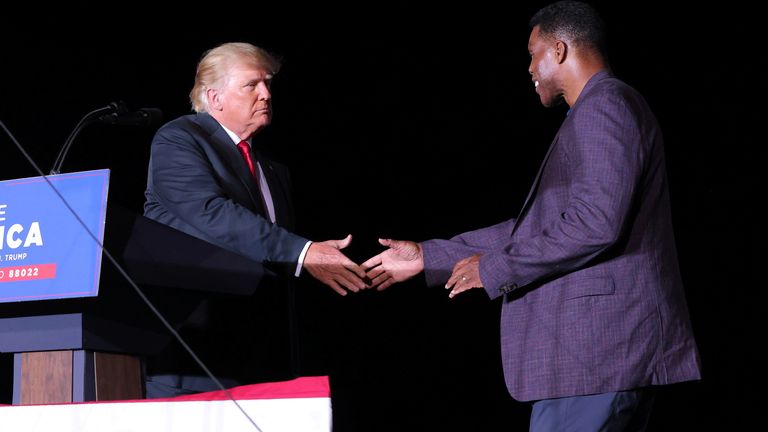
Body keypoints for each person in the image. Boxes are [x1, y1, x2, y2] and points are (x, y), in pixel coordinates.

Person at [362, 1, 701, 430]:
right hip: (597, 363)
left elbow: (595, 223)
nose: (529, 68)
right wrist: (428, 256)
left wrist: (496, 267)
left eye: (532, 53)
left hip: (597, 358)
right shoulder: (599, 110)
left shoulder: (604, 107)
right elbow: (538, 228)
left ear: (558, 50)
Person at [143, 42, 368, 397]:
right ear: (215, 97)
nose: (265, 94)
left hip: (265, 358)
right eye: (251, 85)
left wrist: (310, 259)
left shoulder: (273, 168)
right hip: (197, 357)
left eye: (267, 84)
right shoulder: (179, 138)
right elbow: (210, 215)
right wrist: (304, 252)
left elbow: (272, 252)